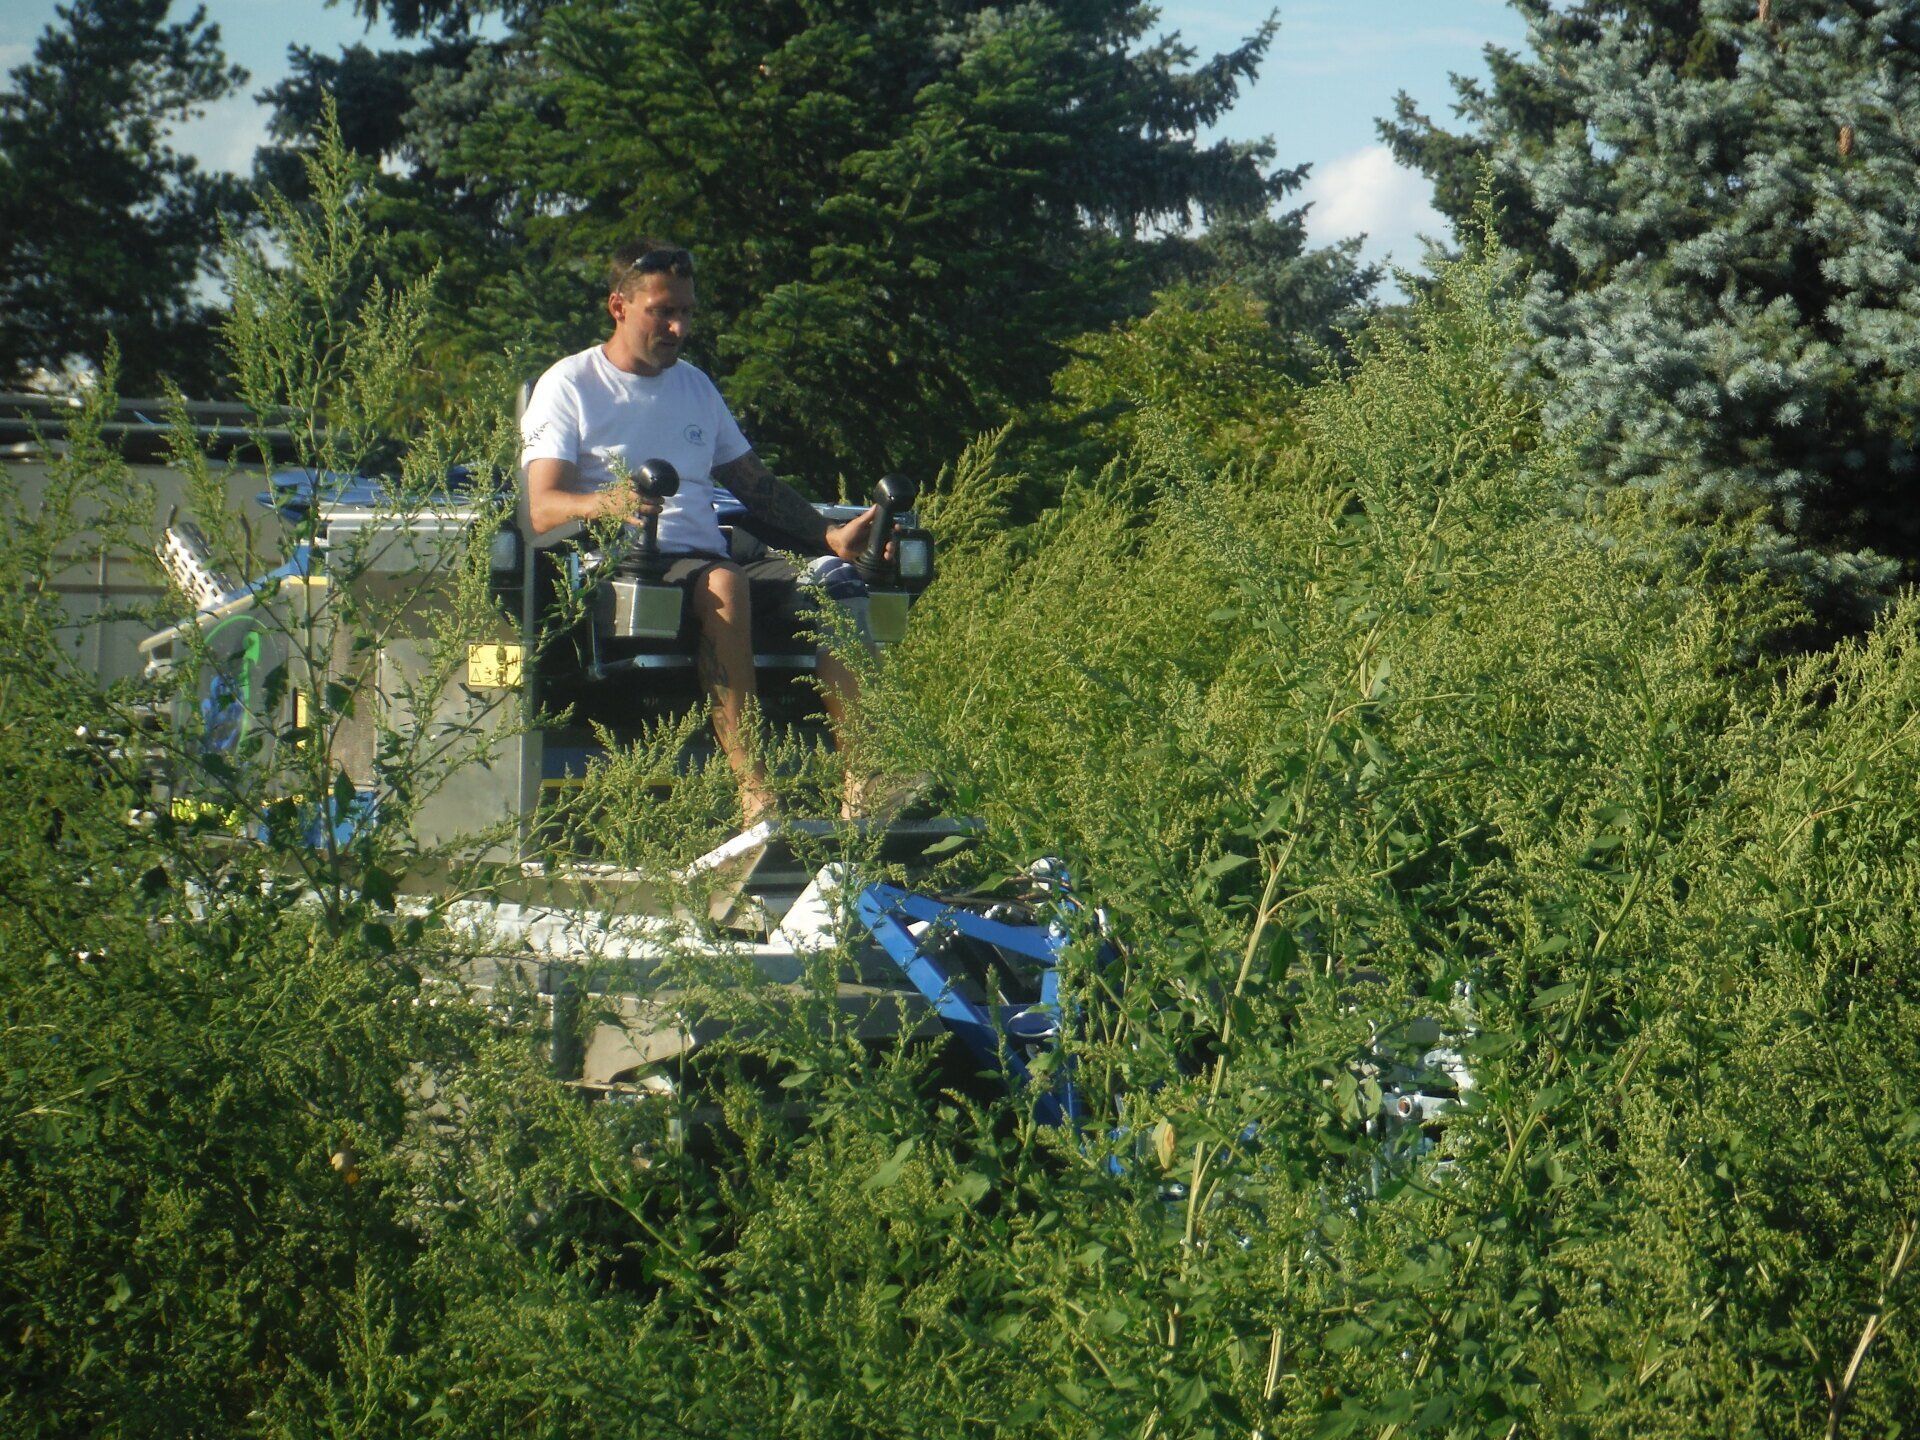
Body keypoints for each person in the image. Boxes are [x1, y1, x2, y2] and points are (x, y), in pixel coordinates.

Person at [519, 242, 882, 826]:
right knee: (725, 581)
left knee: (836, 582)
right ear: (619, 306)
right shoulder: (570, 384)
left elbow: (754, 487)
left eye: (686, 312)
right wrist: (603, 501)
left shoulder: (695, 387)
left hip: (709, 555)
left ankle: (863, 784)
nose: (678, 326)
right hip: (629, 563)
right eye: (662, 311)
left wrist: (831, 535)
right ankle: (755, 793)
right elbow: (540, 508)